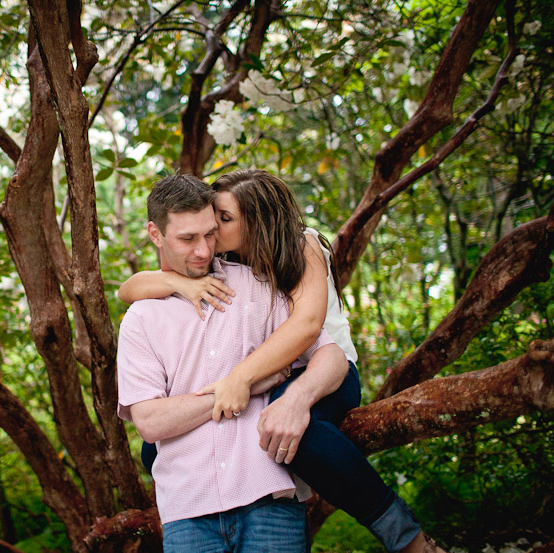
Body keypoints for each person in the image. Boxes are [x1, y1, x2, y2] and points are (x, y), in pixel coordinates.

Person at [119, 169, 446, 553]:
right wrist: (180, 283)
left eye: (220, 224)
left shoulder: (299, 248)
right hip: (201, 495)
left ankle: (408, 540)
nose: (208, 244)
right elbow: (131, 289)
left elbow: (307, 328)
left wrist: (244, 380)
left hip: (322, 371)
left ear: (255, 221)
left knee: (301, 437)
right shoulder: (202, 277)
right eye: (198, 232)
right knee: (154, 451)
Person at [117, 173, 350, 552]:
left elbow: (332, 357)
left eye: (210, 234)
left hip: (269, 502)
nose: (204, 251)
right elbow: (150, 422)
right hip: (188, 512)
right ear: (155, 234)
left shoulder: (259, 286)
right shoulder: (142, 319)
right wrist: (240, 386)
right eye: (187, 239)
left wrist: (296, 397)